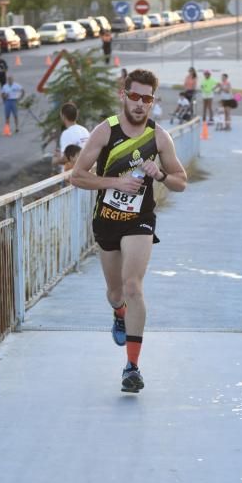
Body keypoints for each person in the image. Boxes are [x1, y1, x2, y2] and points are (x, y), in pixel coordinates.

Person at [71, 68, 187, 394]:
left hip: (140, 220)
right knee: (115, 293)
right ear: (123, 94)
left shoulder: (159, 137)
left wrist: (161, 175)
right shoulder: (104, 132)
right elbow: (77, 177)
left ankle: (131, 367)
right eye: (134, 96)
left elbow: (181, 181)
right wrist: (115, 182)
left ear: (153, 101)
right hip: (106, 219)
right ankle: (119, 313)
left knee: (133, 285)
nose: (139, 104)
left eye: (146, 99)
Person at [55, 102, 89, 170]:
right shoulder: (84, 130)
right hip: (86, 171)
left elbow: (66, 158)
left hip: (72, 175)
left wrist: (55, 160)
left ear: (63, 116)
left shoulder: (66, 134)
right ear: (76, 115)